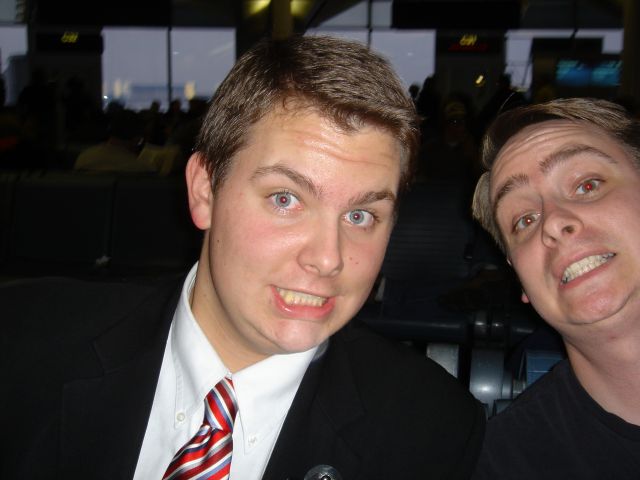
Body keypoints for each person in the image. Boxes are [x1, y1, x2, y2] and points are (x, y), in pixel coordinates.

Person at [1, 35, 485, 480]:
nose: (327, 259)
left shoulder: (429, 431)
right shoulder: (23, 342)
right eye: (285, 199)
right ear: (204, 191)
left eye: (360, 216)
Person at [471, 97, 640, 478]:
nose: (552, 222)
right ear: (522, 281)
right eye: (524, 219)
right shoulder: (504, 462)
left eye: (587, 185)